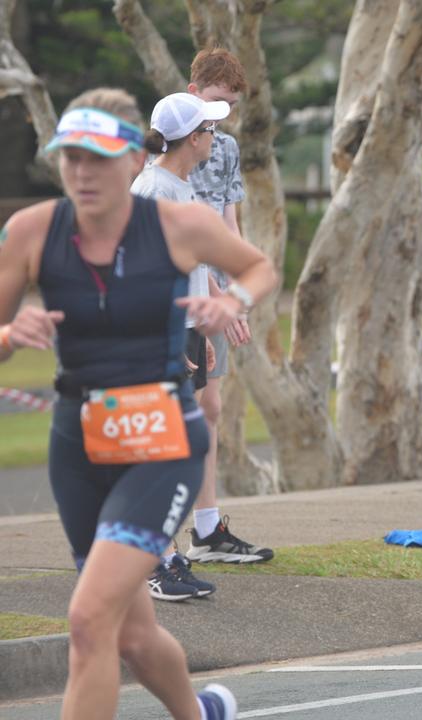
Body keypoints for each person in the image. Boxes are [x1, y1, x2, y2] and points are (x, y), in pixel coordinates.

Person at [0, 87, 276, 719]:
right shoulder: (32, 232)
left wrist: (230, 302)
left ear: (132, 157)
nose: (81, 173)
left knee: (88, 618)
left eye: (96, 158)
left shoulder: (179, 223)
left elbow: (258, 268)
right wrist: (14, 335)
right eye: (70, 158)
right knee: (129, 630)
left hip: (162, 442)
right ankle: (202, 714)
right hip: (78, 446)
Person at [130, 90, 232, 602]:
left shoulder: (178, 186)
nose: (215, 137)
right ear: (193, 139)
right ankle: (152, 562)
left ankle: (167, 556)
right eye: (210, 130)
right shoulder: (154, 190)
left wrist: (200, 333)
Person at [182, 48, 273, 567]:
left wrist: (237, 293)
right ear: (194, 93)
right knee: (178, 412)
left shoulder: (227, 146)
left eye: (231, 106)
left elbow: (228, 225)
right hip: (181, 294)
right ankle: (152, 542)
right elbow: (180, 232)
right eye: (216, 103)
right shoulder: (168, 141)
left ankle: (207, 528)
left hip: (215, 292)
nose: (223, 116)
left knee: (210, 408)